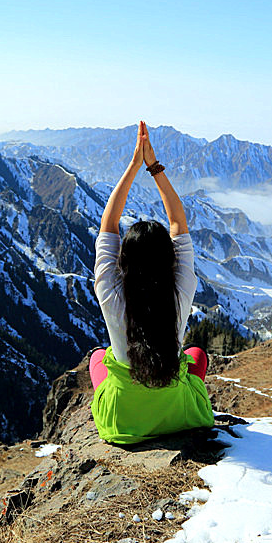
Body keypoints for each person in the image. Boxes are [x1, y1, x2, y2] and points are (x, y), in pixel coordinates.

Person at [89, 120, 214, 444]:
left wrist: (133, 165)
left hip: (124, 420)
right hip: (178, 415)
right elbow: (178, 222)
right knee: (196, 355)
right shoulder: (180, 291)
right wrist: (153, 167)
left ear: (124, 262)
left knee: (98, 359)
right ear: (169, 259)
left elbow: (108, 225)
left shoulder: (111, 294)